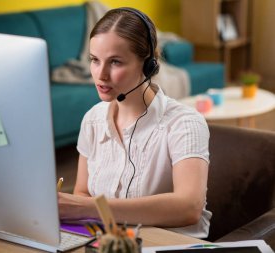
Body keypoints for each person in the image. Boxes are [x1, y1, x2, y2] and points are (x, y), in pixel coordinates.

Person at [58, 7, 211, 239]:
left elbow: (189, 207)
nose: (100, 75)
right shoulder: (93, 119)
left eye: (115, 62)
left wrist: (91, 209)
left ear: (148, 64)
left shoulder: (185, 123)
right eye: (94, 60)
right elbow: (83, 191)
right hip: (110, 243)